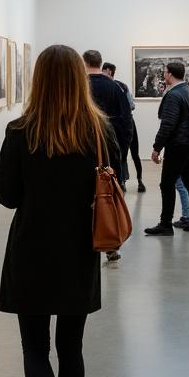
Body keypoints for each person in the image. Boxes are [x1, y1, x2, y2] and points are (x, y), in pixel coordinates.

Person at [0, 44, 119, 377]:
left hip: (31, 250)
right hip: (79, 250)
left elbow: (8, 195)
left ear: (39, 80)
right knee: (71, 347)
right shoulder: (98, 130)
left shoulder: (20, 131)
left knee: (34, 347)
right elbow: (113, 180)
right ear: (81, 80)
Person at [144, 60, 189, 235]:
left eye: (165, 72)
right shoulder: (188, 90)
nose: (163, 74)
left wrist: (157, 148)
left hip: (177, 146)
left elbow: (168, 125)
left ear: (170, 74)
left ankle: (165, 224)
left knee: (167, 184)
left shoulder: (173, 95)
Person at [84, 51, 134, 263]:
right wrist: (120, 152)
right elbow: (126, 121)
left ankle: (88, 240)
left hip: (84, 150)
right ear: (100, 63)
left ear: (84, 63)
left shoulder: (81, 86)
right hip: (109, 151)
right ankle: (110, 243)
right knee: (108, 196)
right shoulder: (115, 87)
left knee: (86, 198)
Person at [101, 62, 145, 192]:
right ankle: (139, 181)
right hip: (128, 122)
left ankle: (122, 181)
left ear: (108, 71)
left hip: (115, 125)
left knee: (121, 154)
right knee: (133, 153)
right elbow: (132, 105)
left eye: (103, 71)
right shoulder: (122, 86)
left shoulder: (110, 87)